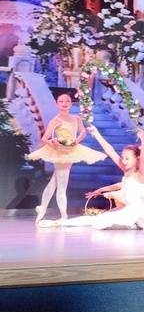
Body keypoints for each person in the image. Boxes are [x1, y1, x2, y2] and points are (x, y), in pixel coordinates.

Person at [66, 126, 144, 229]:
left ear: (137, 159)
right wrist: (97, 134)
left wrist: (143, 139)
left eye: (127, 158)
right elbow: (111, 151)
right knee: (101, 218)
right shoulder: (127, 172)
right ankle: (63, 223)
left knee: (102, 220)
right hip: (131, 209)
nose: (124, 161)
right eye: (123, 158)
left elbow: (143, 158)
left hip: (139, 210)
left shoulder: (141, 175)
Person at [26, 92, 106, 225]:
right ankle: (63, 216)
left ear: (71, 103)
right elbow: (45, 138)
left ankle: (43, 208)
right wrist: (54, 143)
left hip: (71, 150)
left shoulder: (76, 118)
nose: (64, 103)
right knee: (62, 185)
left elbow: (83, 132)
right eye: (61, 101)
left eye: (67, 101)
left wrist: (75, 142)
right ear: (57, 104)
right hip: (60, 152)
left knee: (54, 183)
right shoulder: (56, 120)